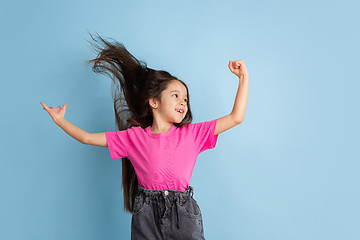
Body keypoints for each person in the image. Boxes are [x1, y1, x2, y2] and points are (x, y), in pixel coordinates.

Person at [40, 33, 249, 240]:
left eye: (185, 98)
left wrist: (243, 78)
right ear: (154, 102)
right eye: (175, 95)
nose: (183, 102)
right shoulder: (133, 138)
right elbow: (86, 138)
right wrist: (60, 120)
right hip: (146, 215)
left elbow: (236, 118)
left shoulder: (192, 134)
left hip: (182, 215)